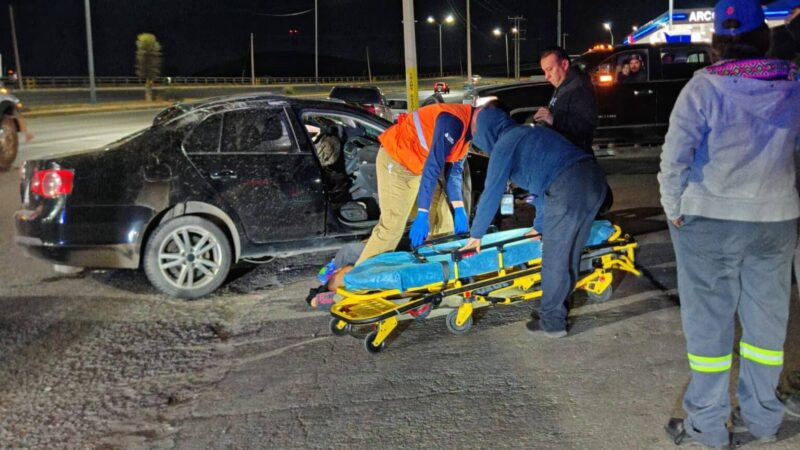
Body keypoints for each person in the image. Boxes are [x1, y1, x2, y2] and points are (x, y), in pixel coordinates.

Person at [658, 1, 800, 447]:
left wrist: (673, 208)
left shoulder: (703, 88)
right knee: (766, 328)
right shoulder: (793, 84)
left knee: (709, 328)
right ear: (764, 38)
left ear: (717, 41)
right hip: (775, 220)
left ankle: (707, 425)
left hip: (709, 221)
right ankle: (763, 420)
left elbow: (674, 159)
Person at [460, 103, 607, 338]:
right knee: (569, 255)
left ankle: (552, 322)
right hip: (594, 181)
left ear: (487, 131)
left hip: (568, 187)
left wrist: (476, 235)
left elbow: (492, 191)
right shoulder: (531, 132)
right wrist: (539, 227)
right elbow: (541, 187)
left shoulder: (505, 144)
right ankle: (553, 309)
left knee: (555, 258)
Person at [355, 103, 474, 265]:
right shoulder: (452, 121)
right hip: (398, 161)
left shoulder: (467, 132)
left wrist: (459, 208)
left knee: (442, 216)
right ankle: (361, 276)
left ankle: (440, 268)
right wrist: (423, 213)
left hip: (419, 167)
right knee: (392, 226)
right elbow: (432, 168)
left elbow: (453, 173)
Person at [533, 46, 598, 154]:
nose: (546, 76)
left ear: (564, 64)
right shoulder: (562, 84)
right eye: (544, 71)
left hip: (574, 157)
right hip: (561, 153)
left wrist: (553, 119)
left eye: (550, 69)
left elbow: (586, 126)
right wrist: (546, 116)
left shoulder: (580, 88)